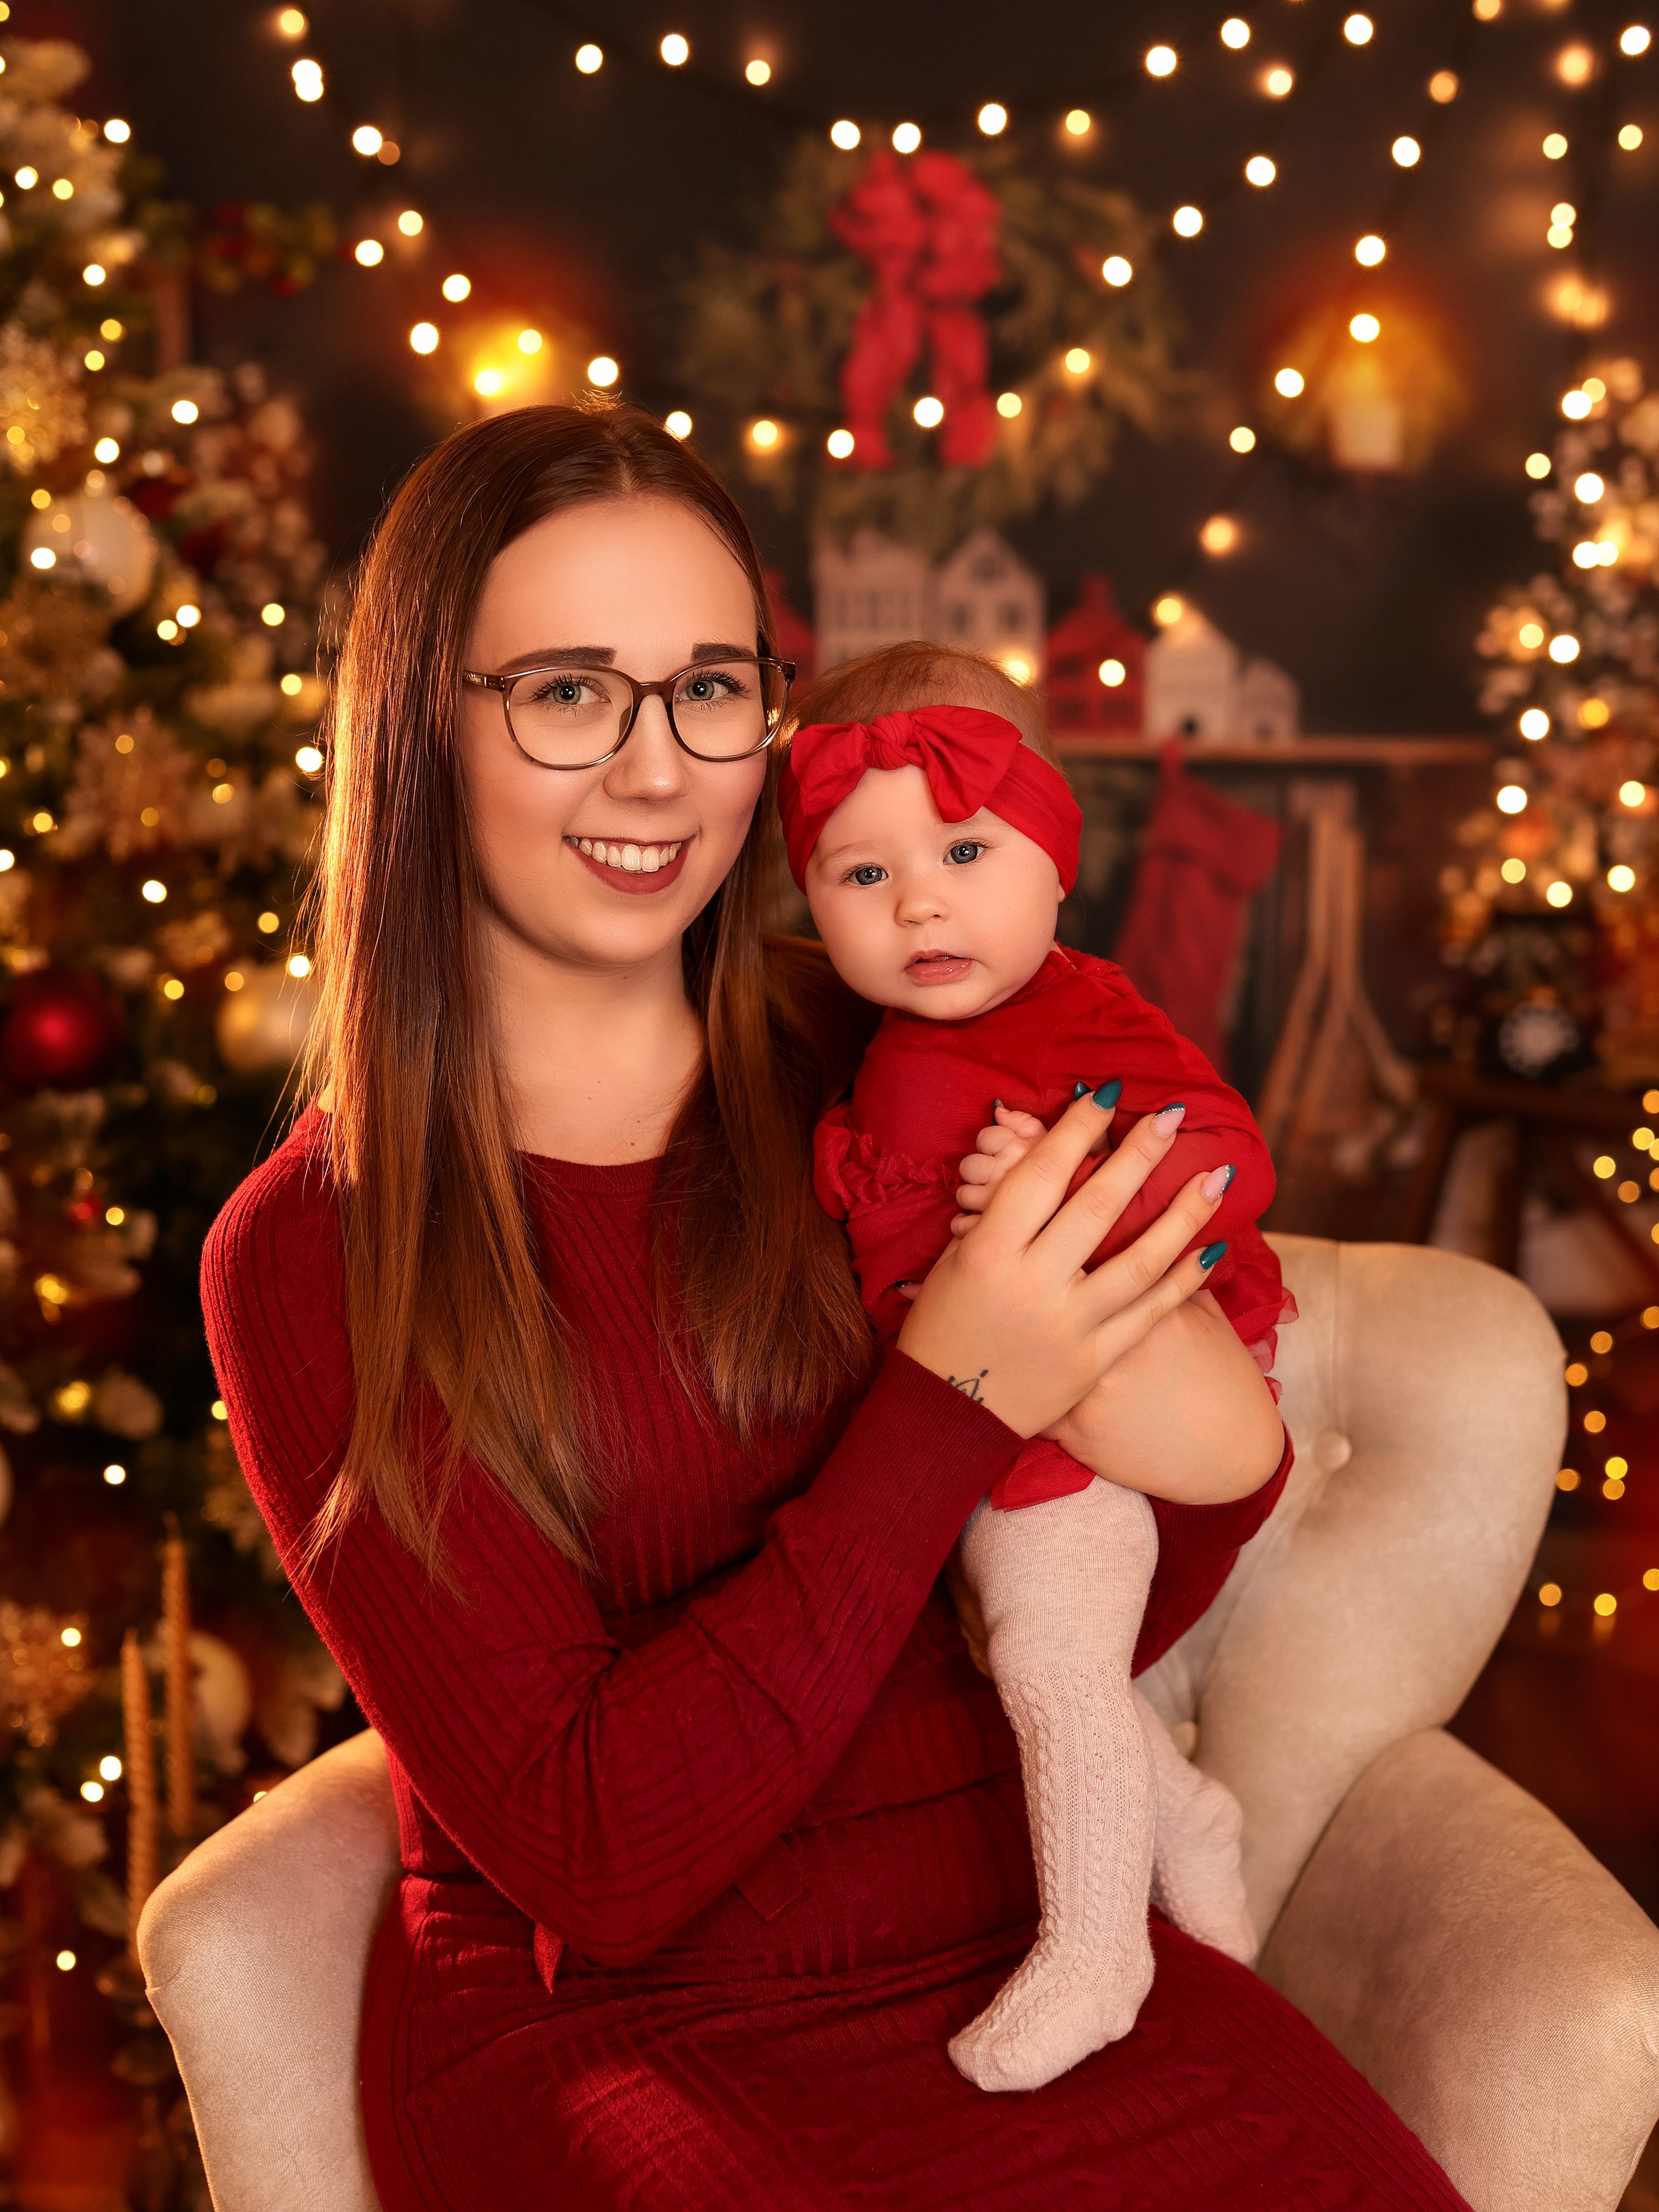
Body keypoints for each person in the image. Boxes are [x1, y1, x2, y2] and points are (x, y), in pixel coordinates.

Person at [201, 401, 1470, 2211]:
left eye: (711, 688)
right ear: (421, 721)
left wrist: (1126, 1368)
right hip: (641, 2029)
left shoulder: (904, 1030)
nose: (659, 773)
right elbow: (600, 1853)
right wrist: (954, 1391)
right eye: (569, 691)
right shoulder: (321, 1251)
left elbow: (1182, 1525)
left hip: (1035, 1940)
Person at [780, 657, 1289, 2093]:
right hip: (952, 1424)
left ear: (1053, 863)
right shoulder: (879, 1045)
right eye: (857, 872)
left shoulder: (1079, 1015)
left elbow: (1229, 1153)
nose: (918, 903)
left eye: (960, 851)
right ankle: (1183, 1816)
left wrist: (1099, 1187)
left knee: (1053, 1662)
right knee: (1009, 1645)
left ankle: (1094, 1953)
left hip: (1073, 1414)